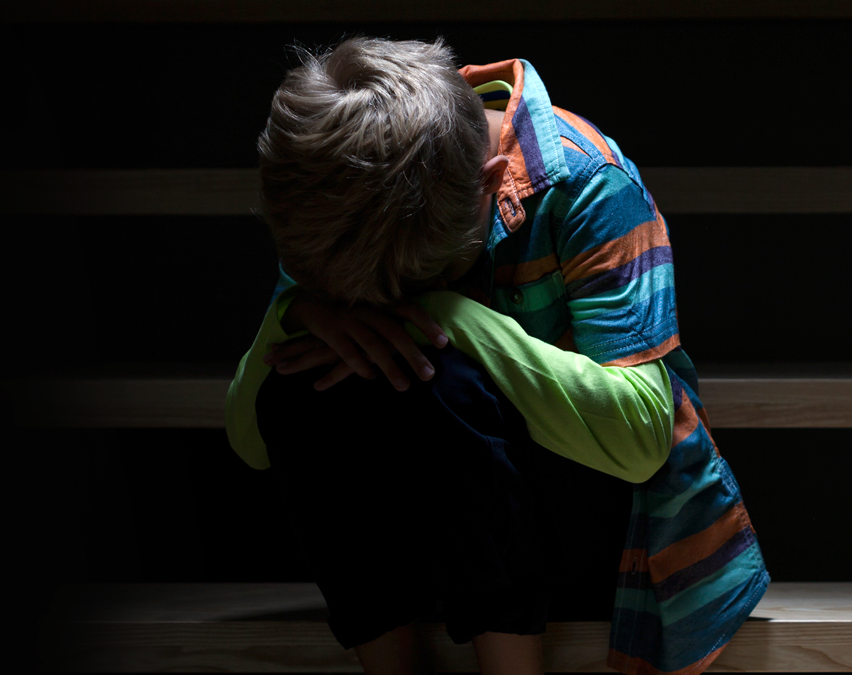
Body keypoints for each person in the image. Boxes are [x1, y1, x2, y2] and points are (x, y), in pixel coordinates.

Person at [226, 36, 768, 675]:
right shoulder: (350, 182)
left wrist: (453, 316)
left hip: (592, 517)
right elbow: (253, 440)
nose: (396, 300)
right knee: (304, 391)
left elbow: (644, 440)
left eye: (413, 282)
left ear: (488, 183)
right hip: (434, 528)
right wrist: (294, 313)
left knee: (443, 376)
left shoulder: (586, 182)